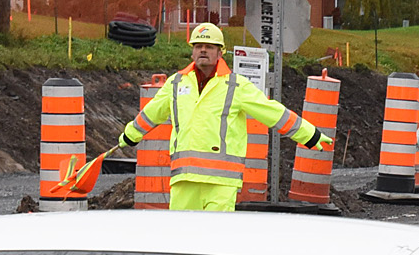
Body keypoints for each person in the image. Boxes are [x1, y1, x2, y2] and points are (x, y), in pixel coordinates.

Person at [116, 23, 330, 211]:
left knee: (215, 237)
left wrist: (309, 134)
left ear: (220, 53)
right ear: (192, 52)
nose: (203, 50)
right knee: (183, 236)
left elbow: (271, 111)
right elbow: (151, 113)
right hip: (185, 178)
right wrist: (129, 135)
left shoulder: (236, 86)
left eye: (209, 47)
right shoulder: (176, 83)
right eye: (198, 46)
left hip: (221, 182)